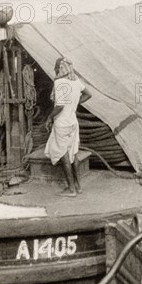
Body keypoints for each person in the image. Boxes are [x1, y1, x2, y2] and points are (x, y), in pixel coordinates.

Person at [45, 57, 91, 197]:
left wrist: (49, 117)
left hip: (62, 124)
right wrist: (75, 104)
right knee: (73, 155)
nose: (55, 70)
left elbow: (59, 106)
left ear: (60, 68)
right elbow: (88, 94)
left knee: (64, 156)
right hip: (73, 123)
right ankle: (78, 186)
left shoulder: (60, 82)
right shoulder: (75, 81)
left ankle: (71, 190)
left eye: (56, 68)